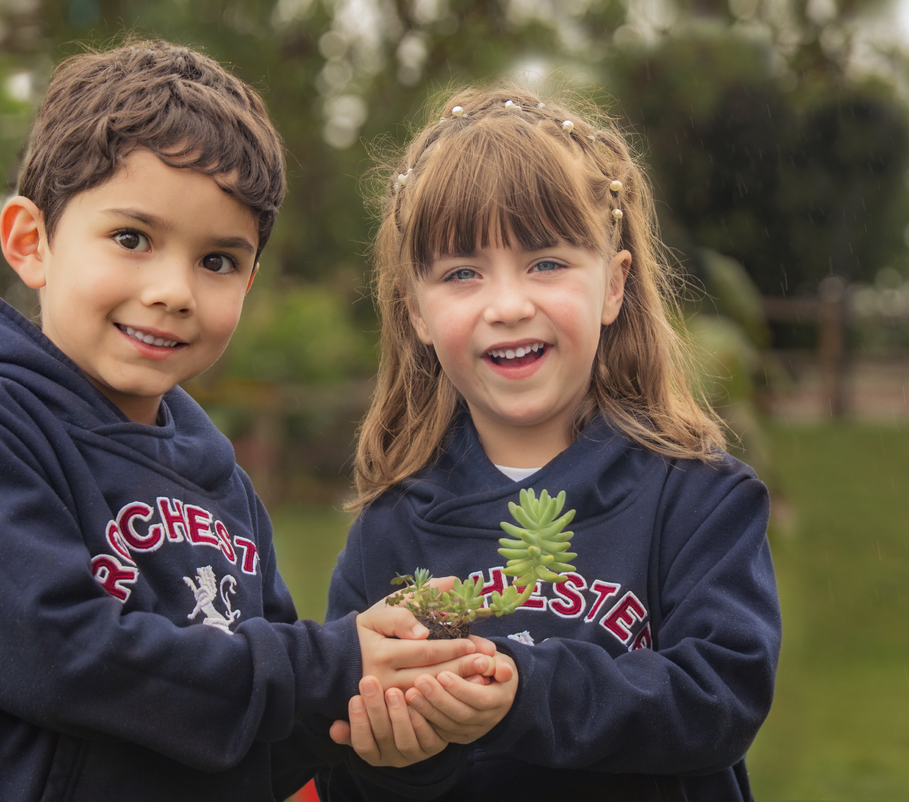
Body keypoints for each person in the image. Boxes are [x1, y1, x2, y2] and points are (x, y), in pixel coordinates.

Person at [0, 40, 492, 802]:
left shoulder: (217, 478)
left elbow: (260, 724)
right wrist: (328, 666)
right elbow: (60, 658)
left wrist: (386, 725)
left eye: (218, 261)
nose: (173, 290)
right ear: (31, 243)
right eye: (132, 239)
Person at [316, 85, 781, 800]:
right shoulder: (388, 533)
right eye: (462, 273)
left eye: (546, 262)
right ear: (417, 312)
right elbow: (349, 768)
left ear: (614, 286)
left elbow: (720, 699)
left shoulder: (699, 500)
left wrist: (522, 692)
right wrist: (405, 753)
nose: (508, 305)